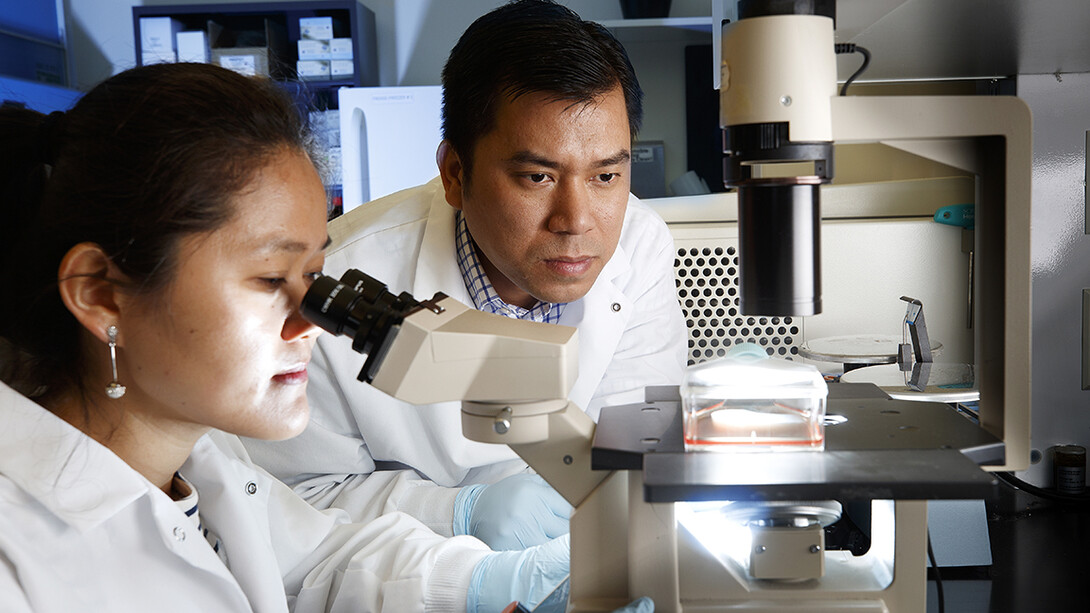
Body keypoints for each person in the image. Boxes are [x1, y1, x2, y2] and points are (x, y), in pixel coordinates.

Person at [0, 61, 600, 613]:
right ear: (101, 295)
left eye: (312, 277)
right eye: (268, 278)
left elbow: (321, 561)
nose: (309, 322)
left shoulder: (207, 463)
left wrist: (483, 584)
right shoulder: (17, 560)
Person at [243, 0, 688, 552]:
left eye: (606, 175)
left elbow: (637, 454)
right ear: (455, 173)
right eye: (537, 176)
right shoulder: (330, 285)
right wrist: (455, 513)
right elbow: (289, 497)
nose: (576, 222)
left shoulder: (638, 246)